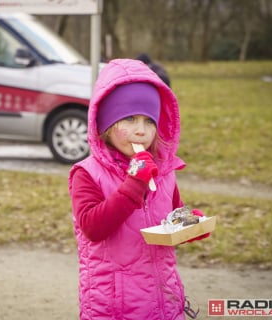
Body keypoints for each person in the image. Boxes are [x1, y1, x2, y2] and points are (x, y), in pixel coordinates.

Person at [68, 59, 208, 319]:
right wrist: (134, 183)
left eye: (149, 121)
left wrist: (190, 224)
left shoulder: (164, 172)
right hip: (113, 305)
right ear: (106, 125)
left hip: (164, 300)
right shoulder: (87, 173)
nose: (141, 130)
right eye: (130, 119)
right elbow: (92, 227)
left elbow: (171, 217)